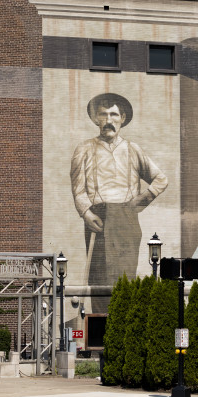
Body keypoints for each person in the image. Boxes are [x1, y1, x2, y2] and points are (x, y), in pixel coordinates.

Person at [70, 93, 168, 285]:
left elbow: (160, 179)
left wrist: (141, 201)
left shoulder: (133, 149)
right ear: (96, 119)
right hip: (98, 218)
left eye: (114, 115)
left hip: (126, 219)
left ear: (122, 119)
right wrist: (86, 214)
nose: (108, 120)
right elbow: (78, 189)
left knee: (125, 280)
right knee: (100, 282)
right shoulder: (84, 149)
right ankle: (99, 316)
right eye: (103, 115)